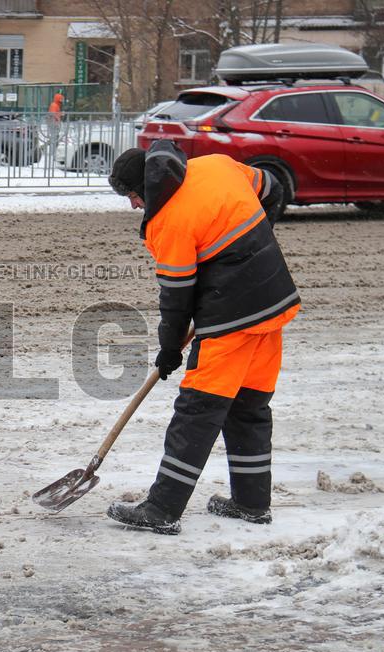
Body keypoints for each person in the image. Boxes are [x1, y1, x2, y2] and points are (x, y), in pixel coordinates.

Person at [105, 140, 299, 535]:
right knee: (249, 406)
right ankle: (251, 503)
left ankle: (162, 509)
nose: (134, 206)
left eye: (133, 197)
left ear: (147, 186)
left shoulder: (169, 222)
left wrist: (168, 348)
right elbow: (274, 187)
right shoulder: (216, 165)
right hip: (275, 301)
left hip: (232, 319)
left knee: (197, 410)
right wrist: (253, 246)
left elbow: (176, 297)